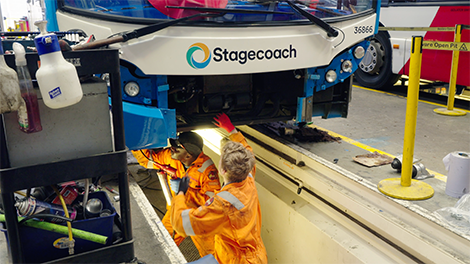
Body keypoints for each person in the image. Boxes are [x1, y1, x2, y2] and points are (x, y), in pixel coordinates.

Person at [170, 113, 268, 264]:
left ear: (223, 170)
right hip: (257, 255)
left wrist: (180, 194)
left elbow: (183, 224)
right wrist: (231, 129)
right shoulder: (248, 178)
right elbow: (247, 150)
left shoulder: (223, 203)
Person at [132, 131, 221, 257]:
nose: (171, 149)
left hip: (199, 218)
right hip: (177, 212)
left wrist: (184, 192)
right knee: (162, 241)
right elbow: (147, 160)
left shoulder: (207, 170)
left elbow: (212, 204)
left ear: (188, 155)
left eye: (177, 148)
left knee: (212, 254)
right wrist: (137, 140)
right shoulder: (171, 156)